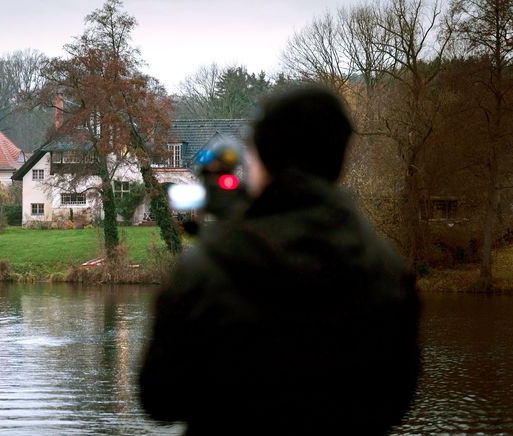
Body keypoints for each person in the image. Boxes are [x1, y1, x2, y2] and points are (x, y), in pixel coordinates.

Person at [139, 85, 420, 435]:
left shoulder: (210, 268)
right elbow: (396, 400)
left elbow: (159, 397)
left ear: (264, 159)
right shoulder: (387, 269)